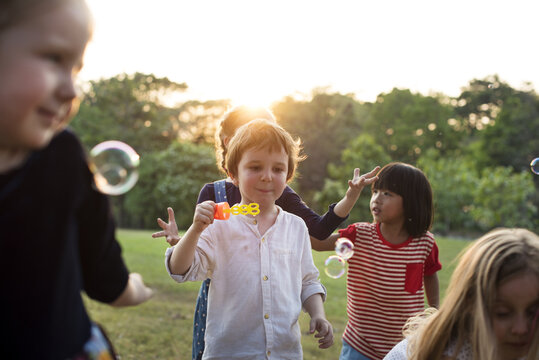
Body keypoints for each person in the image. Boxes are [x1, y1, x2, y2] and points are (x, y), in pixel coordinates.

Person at [153, 105, 379, 359]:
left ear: (289, 174)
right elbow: (181, 269)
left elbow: (308, 280)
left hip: (285, 353)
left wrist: (318, 314)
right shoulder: (219, 225)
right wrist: (194, 231)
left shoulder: (295, 227)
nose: (267, 177)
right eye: (255, 167)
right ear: (233, 174)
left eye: (278, 169)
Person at [0, 0, 153, 358]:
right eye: (54, 57)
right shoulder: (60, 155)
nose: (71, 91)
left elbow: (105, 279)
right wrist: (131, 289)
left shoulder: (62, 156)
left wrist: (135, 288)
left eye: (77, 69)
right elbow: (109, 286)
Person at [317, 162, 442, 360]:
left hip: (406, 346)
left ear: (411, 201)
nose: (377, 199)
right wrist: (350, 197)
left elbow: (430, 275)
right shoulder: (359, 235)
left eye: (387, 194)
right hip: (359, 346)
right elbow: (318, 242)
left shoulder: (424, 243)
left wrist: (436, 313)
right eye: (376, 191)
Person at [384, 227, 539, 360]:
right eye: (502, 313)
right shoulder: (450, 353)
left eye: (532, 313)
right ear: (470, 305)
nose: (521, 328)